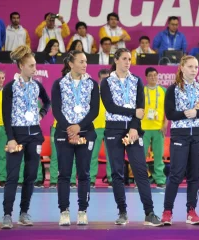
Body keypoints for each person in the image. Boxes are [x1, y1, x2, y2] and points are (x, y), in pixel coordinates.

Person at [100, 48, 162, 226]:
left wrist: (134, 126)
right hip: (113, 130)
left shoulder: (136, 81)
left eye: (130, 59)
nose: (128, 62)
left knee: (141, 171)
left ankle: (149, 213)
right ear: (116, 59)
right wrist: (133, 112)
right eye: (125, 59)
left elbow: (140, 107)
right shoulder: (106, 82)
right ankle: (122, 212)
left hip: (134, 130)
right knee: (117, 173)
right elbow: (110, 107)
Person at [160, 55, 199, 226]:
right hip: (180, 135)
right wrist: (185, 113)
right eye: (190, 67)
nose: (194, 70)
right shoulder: (173, 89)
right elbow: (169, 114)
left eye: (196, 67)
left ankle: (191, 211)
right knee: (176, 174)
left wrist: (198, 113)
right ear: (182, 68)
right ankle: (167, 211)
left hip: (198, 136)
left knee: (194, 175)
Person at [1, 45, 50, 229]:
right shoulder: (10, 88)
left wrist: (42, 113)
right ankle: (7, 215)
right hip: (17, 136)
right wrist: (11, 138)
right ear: (21, 66)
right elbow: (6, 115)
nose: (34, 68)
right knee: (13, 176)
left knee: (30, 176)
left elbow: (47, 101)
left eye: (35, 65)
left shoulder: (37, 85)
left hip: (34, 136)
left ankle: (23, 212)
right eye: (31, 65)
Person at [52, 50, 99, 225]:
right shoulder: (59, 84)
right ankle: (64, 211)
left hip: (86, 133)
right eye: (81, 61)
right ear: (71, 64)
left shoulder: (92, 84)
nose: (85, 65)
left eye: (86, 61)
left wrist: (79, 127)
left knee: (84, 174)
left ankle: (82, 211)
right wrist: (69, 129)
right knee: (64, 174)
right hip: (64, 133)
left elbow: (94, 110)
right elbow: (56, 109)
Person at [141, 67, 167, 188]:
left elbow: (168, 110)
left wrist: (165, 124)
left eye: (155, 75)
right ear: (146, 77)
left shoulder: (163, 91)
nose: (153, 77)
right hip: (143, 128)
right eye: (150, 75)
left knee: (158, 156)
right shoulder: (141, 91)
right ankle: (140, 179)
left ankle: (160, 179)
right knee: (141, 156)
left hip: (158, 128)